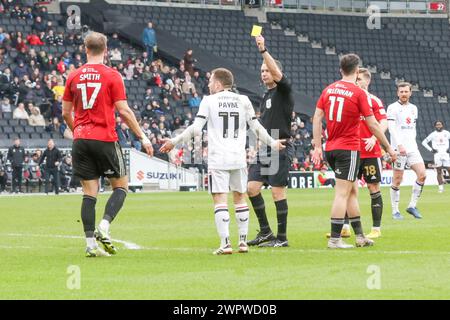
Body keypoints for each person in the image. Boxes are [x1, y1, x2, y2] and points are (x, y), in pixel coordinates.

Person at [160, 68, 285, 255]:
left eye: (211, 81)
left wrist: (174, 141)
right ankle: (242, 242)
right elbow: (256, 127)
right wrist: (273, 142)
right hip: (238, 158)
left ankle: (226, 244)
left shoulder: (209, 101)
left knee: (220, 199)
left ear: (218, 84)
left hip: (218, 158)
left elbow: (196, 129)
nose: (209, 84)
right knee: (240, 197)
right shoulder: (243, 100)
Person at [62, 31, 154, 258]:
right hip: (104, 137)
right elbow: (123, 111)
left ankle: (90, 245)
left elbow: (65, 113)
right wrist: (142, 136)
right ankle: (104, 226)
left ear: (85, 49)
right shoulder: (112, 75)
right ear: (106, 50)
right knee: (121, 186)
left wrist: (79, 132)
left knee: (89, 192)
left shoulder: (73, 76)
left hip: (81, 138)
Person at [312, 53, 396, 249]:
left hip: (330, 148)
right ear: (357, 70)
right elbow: (374, 125)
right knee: (342, 193)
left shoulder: (329, 89)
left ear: (341, 70)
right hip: (348, 149)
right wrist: (388, 147)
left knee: (351, 192)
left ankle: (359, 236)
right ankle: (335, 239)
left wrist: (317, 146)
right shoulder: (358, 93)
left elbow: (316, 118)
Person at [246, 35, 294, 248]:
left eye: (266, 70)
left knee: (277, 192)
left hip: (280, 146)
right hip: (265, 148)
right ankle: (266, 231)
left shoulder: (284, 91)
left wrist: (264, 50)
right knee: (252, 188)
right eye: (262, 71)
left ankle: (282, 238)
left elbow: (277, 73)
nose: (263, 73)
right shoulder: (266, 96)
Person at [387, 82, 426, 220]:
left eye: (406, 91)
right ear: (398, 93)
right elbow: (391, 128)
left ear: (410, 93)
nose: (404, 94)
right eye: (401, 91)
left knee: (422, 175)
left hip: (412, 148)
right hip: (399, 149)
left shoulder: (414, 108)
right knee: (397, 180)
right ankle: (395, 211)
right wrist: (399, 145)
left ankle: (412, 206)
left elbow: (412, 129)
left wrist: (411, 144)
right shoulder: (392, 108)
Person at [422, 120, 450, 193]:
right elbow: (424, 142)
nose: (438, 126)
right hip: (437, 155)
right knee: (439, 171)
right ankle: (441, 188)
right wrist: (431, 150)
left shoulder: (447, 133)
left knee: (449, 169)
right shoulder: (433, 134)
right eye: (437, 125)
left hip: (446, 154)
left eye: (440, 124)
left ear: (442, 125)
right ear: (435, 126)